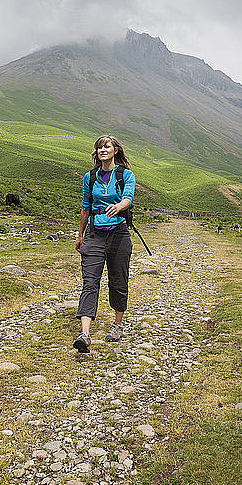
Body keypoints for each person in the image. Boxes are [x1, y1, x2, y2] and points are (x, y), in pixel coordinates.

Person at [73, 135, 136, 353]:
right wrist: (80, 234)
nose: (102, 150)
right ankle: (85, 334)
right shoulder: (89, 177)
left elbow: (128, 198)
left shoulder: (125, 175)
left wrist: (119, 206)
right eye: (99, 147)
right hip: (94, 234)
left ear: (115, 150)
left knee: (118, 281)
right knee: (90, 282)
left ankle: (117, 324)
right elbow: (85, 206)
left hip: (118, 234)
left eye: (106, 146)